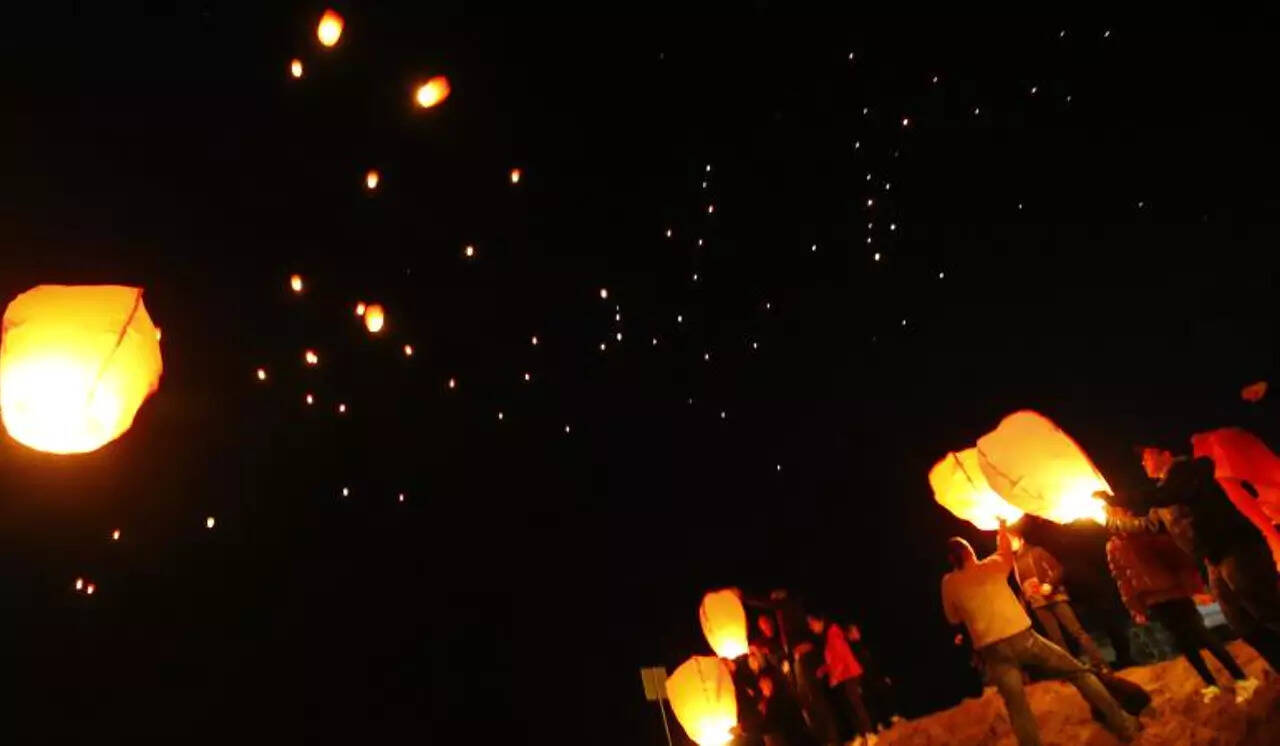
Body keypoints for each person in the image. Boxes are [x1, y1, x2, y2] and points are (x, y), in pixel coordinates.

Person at [941, 520, 1141, 746]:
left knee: (1017, 706)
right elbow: (1004, 549)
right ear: (969, 552)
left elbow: (953, 618)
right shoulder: (992, 565)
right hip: (1022, 637)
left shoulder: (948, 583)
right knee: (1079, 673)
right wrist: (1002, 525)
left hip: (992, 650)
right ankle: (1124, 725)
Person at [1103, 446, 1280, 672]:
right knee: (1241, 623)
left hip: (1237, 549)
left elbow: (1169, 494)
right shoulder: (1163, 494)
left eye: (1147, 457)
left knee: (1265, 610)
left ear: (1165, 453)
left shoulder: (1190, 471)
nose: (1143, 464)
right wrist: (1114, 522)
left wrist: (1116, 500)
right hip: (1214, 559)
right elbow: (1148, 524)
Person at [1105, 522, 1260, 704]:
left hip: (1175, 593)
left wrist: (1194, 590)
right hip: (1153, 600)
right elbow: (1122, 578)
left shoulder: (1146, 534)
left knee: (1202, 636)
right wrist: (1135, 607)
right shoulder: (1113, 546)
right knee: (1184, 644)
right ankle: (1210, 683)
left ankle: (1241, 678)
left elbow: (1178, 561)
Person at [1008, 529, 1109, 671]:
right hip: (1037, 603)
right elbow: (1022, 585)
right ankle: (1072, 670)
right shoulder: (1014, 562)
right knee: (1056, 638)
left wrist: (1050, 584)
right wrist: (1025, 602)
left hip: (1054, 597)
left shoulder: (1037, 551)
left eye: (1011, 540)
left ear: (1020, 539)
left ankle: (1100, 663)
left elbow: (1058, 569)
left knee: (1076, 631)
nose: (1009, 543)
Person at [807, 613, 876, 745]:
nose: (811, 627)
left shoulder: (833, 632)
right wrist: (824, 669)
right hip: (843, 676)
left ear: (820, 621)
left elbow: (841, 657)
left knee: (856, 705)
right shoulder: (827, 636)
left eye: (812, 623)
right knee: (849, 707)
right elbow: (832, 659)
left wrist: (835, 676)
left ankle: (870, 733)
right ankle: (861, 734)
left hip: (849, 673)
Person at [845, 624, 898, 730]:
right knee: (872, 702)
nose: (857, 633)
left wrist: (883, 675)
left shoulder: (864, 644)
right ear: (849, 635)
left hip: (875, 676)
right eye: (853, 632)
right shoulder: (851, 650)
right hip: (864, 680)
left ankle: (891, 716)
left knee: (883, 694)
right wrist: (859, 683)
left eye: (857, 630)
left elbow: (874, 661)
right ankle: (879, 723)